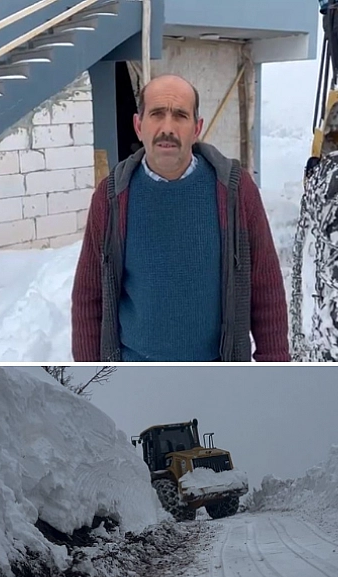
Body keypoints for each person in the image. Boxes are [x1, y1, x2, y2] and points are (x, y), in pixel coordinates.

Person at [71, 74, 290, 362]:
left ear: (196, 128)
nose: (167, 128)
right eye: (157, 114)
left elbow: (266, 291)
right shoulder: (112, 197)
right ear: (139, 125)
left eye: (180, 116)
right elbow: (89, 298)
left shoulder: (234, 191)